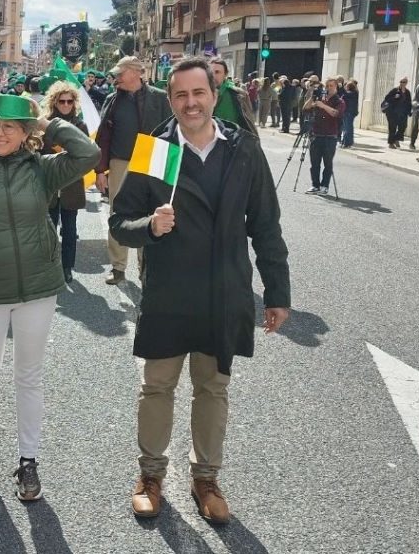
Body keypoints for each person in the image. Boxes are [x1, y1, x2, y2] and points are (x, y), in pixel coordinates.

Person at [109, 57, 289, 524]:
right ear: (170, 100)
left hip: (224, 289)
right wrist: (150, 225)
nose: (190, 103)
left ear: (214, 94)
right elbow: (119, 222)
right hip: (169, 291)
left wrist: (277, 292)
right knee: (157, 387)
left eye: (198, 93)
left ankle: (206, 478)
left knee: (213, 389)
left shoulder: (243, 149)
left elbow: (266, 225)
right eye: (180, 95)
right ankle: (150, 475)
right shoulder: (156, 150)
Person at [0, 94, 100, 501]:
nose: (1, 132)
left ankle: (28, 461)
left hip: (37, 288)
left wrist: (48, 124)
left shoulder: (43, 169)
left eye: (10, 126)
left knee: (29, 375)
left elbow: (90, 153)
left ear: (27, 133)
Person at [94, 55, 172, 285]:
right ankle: (118, 267)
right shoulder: (113, 99)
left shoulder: (159, 98)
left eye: (121, 72)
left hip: (152, 157)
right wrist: (100, 170)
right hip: (120, 160)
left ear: (137, 72)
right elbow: (103, 136)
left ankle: (145, 266)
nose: (116, 76)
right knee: (117, 213)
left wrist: (170, 166)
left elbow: (171, 131)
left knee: (150, 211)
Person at [40, 81, 90, 283]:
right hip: (50, 183)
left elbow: (88, 155)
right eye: (62, 101)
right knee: (48, 229)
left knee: (70, 230)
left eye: (70, 101)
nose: (66, 105)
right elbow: (38, 151)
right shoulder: (45, 123)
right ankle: (50, 265)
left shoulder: (80, 125)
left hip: (71, 184)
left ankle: (68, 267)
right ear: (54, 101)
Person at [303, 77, 345, 195]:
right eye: (327, 86)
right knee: (314, 163)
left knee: (327, 163)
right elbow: (305, 109)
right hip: (316, 134)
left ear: (336, 87)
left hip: (330, 136)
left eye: (331, 86)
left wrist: (323, 106)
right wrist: (313, 98)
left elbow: (336, 114)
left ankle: (324, 186)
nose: (329, 88)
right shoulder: (319, 99)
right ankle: (315, 185)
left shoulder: (339, 101)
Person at [208, 57, 256, 134]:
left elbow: (249, 123)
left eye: (217, 72)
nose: (213, 76)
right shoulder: (199, 95)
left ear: (225, 74)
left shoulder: (238, 94)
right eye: (211, 72)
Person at [382, 78, 412, 149]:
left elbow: (409, 102)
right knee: (392, 127)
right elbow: (387, 98)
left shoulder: (407, 92)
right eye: (401, 82)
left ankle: (396, 139)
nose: (402, 83)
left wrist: (409, 111)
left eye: (403, 82)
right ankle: (391, 143)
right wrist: (394, 97)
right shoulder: (395, 90)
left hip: (403, 112)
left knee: (403, 127)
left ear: (406, 83)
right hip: (393, 112)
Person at [340, 80, 359, 148]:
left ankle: (347, 142)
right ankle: (345, 142)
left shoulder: (352, 93)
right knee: (347, 127)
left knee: (347, 128)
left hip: (349, 112)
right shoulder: (354, 93)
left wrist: (341, 87)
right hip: (348, 112)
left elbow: (345, 94)